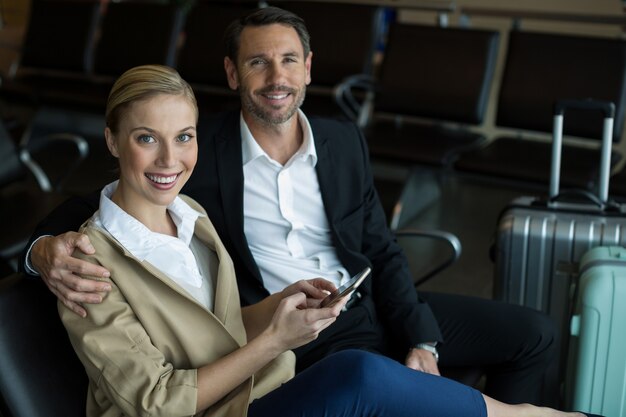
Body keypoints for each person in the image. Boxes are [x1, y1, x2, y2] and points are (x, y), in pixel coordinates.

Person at [26, 7, 556, 405]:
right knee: (375, 386)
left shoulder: (343, 140)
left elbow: (381, 247)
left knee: (533, 334)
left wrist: (421, 339)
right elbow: (106, 197)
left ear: (307, 69)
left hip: (361, 303)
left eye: (287, 61)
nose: (276, 78)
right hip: (292, 333)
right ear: (234, 75)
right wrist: (42, 250)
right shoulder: (190, 147)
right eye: (258, 62)